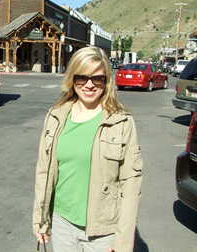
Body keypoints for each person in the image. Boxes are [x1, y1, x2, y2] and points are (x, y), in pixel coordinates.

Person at [32, 46, 143, 252]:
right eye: (82, 77)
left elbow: (131, 184)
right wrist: (40, 219)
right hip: (62, 223)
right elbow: (43, 171)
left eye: (97, 78)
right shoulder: (55, 116)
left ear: (106, 81)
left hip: (103, 232)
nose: (89, 85)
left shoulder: (121, 122)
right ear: (72, 79)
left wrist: (123, 241)